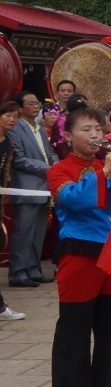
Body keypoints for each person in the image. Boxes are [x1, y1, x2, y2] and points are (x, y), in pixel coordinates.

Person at [47, 107, 111, 387]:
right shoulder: (58, 170)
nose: (95, 135)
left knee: (107, 326)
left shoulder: (105, 165)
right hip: (78, 253)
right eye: (86, 129)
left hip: (110, 252)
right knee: (74, 326)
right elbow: (77, 201)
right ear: (68, 136)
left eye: (98, 128)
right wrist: (107, 170)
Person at [8, 91, 58, 288]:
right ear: (20, 108)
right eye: (30, 103)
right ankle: (18, 273)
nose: (36, 106)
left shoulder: (39, 128)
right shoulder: (15, 129)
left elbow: (50, 153)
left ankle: (33, 270)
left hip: (45, 187)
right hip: (27, 187)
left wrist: (56, 165)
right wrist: (49, 168)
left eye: (37, 102)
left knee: (38, 232)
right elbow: (18, 160)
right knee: (23, 232)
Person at [0, 101, 28, 322]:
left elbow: (6, 169)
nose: (12, 119)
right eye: (7, 115)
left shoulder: (7, 141)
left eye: (15, 116)